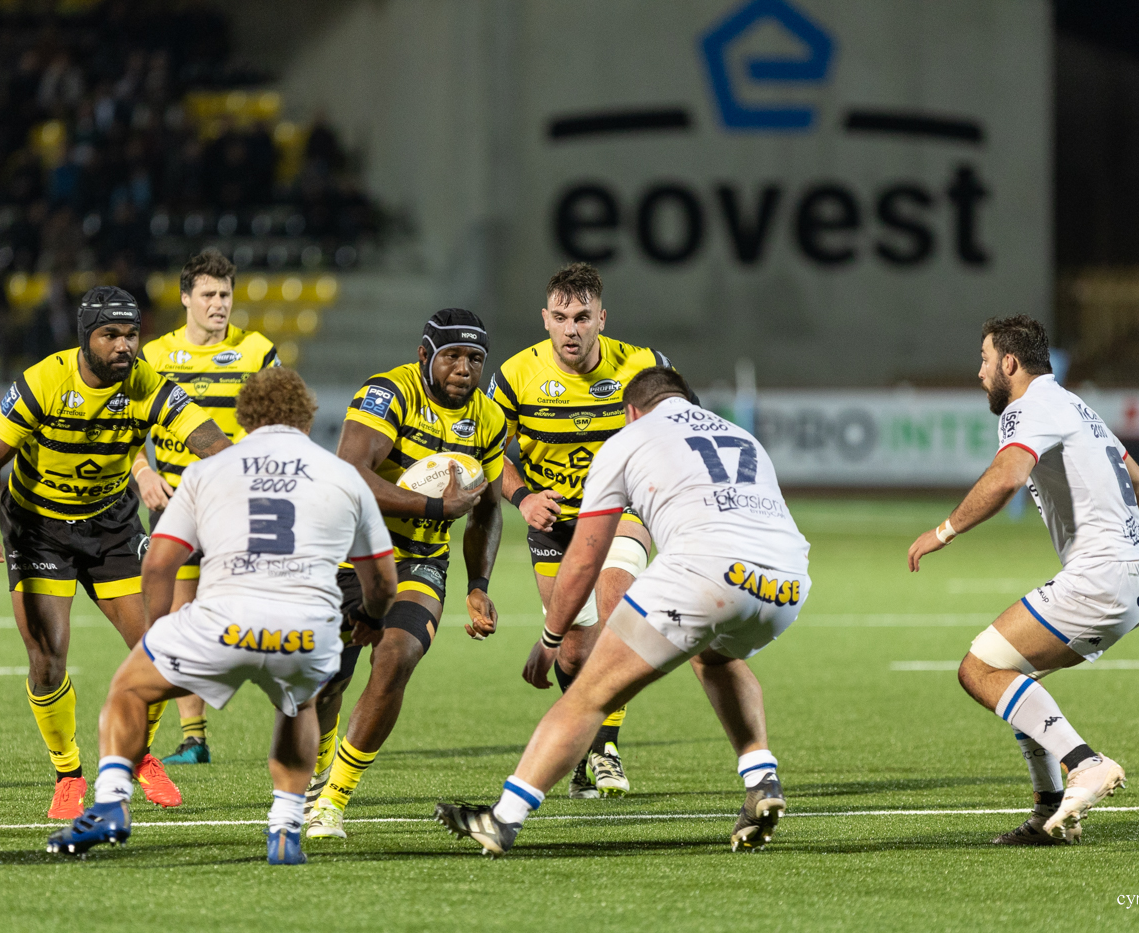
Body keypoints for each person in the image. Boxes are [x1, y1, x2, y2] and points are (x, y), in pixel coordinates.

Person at [436, 367, 810, 856]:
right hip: (786, 582)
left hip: (704, 572)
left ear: (632, 412)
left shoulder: (629, 439)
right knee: (715, 657)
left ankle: (502, 820)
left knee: (587, 697)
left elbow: (587, 555)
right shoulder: (743, 436)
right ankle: (761, 780)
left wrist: (551, 639)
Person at [45, 367, 397, 864]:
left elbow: (161, 561)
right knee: (299, 702)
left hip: (224, 622)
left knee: (129, 687)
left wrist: (157, 628)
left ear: (243, 418)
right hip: (307, 630)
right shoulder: (342, 475)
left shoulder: (209, 470)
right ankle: (284, 828)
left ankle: (110, 804)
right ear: (307, 417)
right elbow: (382, 581)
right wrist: (373, 620)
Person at [0, 286, 232, 820]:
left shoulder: (148, 384)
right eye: (110, 335)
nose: (125, 346)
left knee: (160, 651)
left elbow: (210, 440)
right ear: (86, 337)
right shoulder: (44, 381)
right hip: (39, 528)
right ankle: (68, 774)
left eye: (132, 334)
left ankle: (136, 756)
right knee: (47, 657)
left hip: (110, 527)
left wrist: (254, 472)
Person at [907, 316, 1139, 844]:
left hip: (1101, 578)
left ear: (1010, 364)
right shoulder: (1077, 407)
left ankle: (1084, 764)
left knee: (979, 669)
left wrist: (943, 531)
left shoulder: (1028, 407)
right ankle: (1048, 814)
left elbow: (1008, 476)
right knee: (1015, 678)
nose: (980, 373)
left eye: (984, 359)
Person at [304, 309, 507, 840]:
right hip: (355, 553)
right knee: (328, 680)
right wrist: (432, 506)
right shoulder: (388, 394)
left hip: (421, 561)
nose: (465, 368)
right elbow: (351, 469)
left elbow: (485, 507)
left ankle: (332, 800)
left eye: (476, 359)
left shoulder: (489, 419)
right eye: (453, 356)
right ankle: (319, 763)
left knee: (398, 655)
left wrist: (478, 585)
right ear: (425, 356)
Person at [488, 262, 675, 798]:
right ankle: (585, 746)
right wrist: (523, 498)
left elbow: (683, 427)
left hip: (623, 512)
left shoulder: (641, 366)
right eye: (562, 317)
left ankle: (607, 748)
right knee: (572, 648)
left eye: (583, 317)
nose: (572, 329)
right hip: (554, 521)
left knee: (616, 607)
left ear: (602, 318)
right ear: (545, 319)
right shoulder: (516, 374)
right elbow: (489, 450)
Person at [134, 249, 280, 765]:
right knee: (177, 616)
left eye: (225, 295)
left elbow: (278, 423)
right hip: (176, 501)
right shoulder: (152, 356)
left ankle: (295, 713)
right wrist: (143, 472)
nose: (219, 305)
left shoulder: (257, 351)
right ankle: (192, 738)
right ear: (185, 298)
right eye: (208, 295)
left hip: (239, 504)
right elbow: (120, 428)